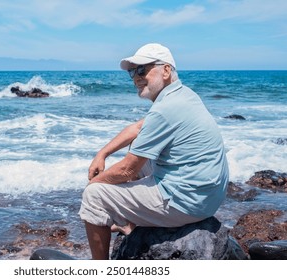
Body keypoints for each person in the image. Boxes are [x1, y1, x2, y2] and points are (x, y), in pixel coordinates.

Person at [78, 43, 229, 260]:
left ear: (166, 71)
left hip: (188, 203)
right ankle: (130, 225)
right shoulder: (183, 95)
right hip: (209, 196)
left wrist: (95, 183)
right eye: (132, 72)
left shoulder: (165, 109)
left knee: (94, 196)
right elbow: (139, 128)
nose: (136, 77)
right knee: (140, 149)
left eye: (142, 70)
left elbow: (128, 170)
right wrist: (102, 154)